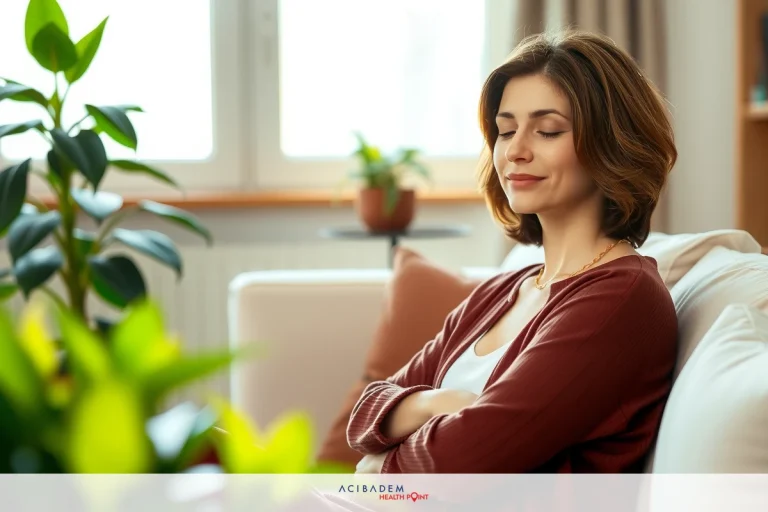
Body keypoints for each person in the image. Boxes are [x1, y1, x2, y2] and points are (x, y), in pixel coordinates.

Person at [347, 29, 679, 474]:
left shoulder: (622, 298)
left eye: (547, 131)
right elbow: (365, 413)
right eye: (506, 130)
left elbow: (460, 462)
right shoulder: (505, 290)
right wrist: (437, 403)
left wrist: (376, 470)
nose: (515, 151)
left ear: (612, 145)